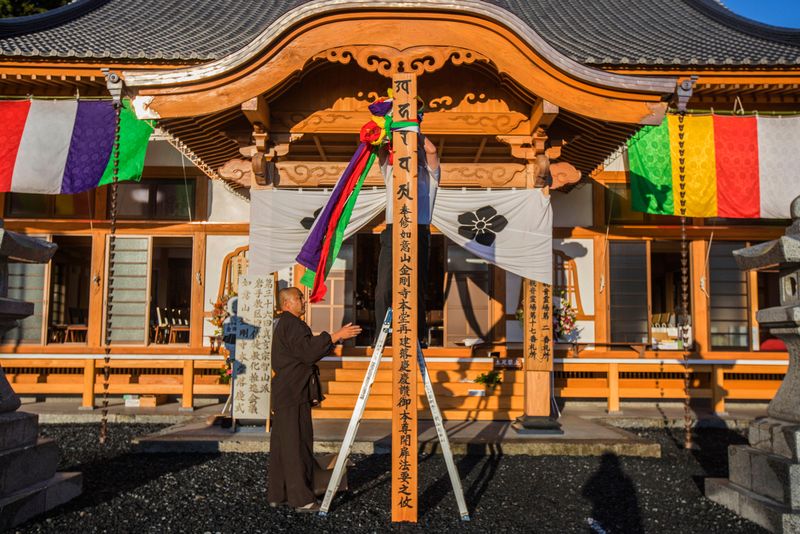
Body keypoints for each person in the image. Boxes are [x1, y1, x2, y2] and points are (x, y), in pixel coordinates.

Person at [267, 287, 361, 512]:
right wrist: (335, 336)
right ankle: (302, 499)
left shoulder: (281, 323)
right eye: (299, 298)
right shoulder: (292, 324)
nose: (304, 301)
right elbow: (308, 352)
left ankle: (277, 494)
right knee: (297, 444)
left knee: (282, 444)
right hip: (293, 391)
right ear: (287, 303)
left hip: (285, 390)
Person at [373, 134, 440, 346]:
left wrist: (411, 129)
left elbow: (432, 150)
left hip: (418, 230)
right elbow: (380, 151)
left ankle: (416, 334)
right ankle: (382, 334)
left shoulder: (428, 173)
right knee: (384, 286)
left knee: (416, 285)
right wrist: (387, 129)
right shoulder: (393, 170)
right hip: (393, 230)